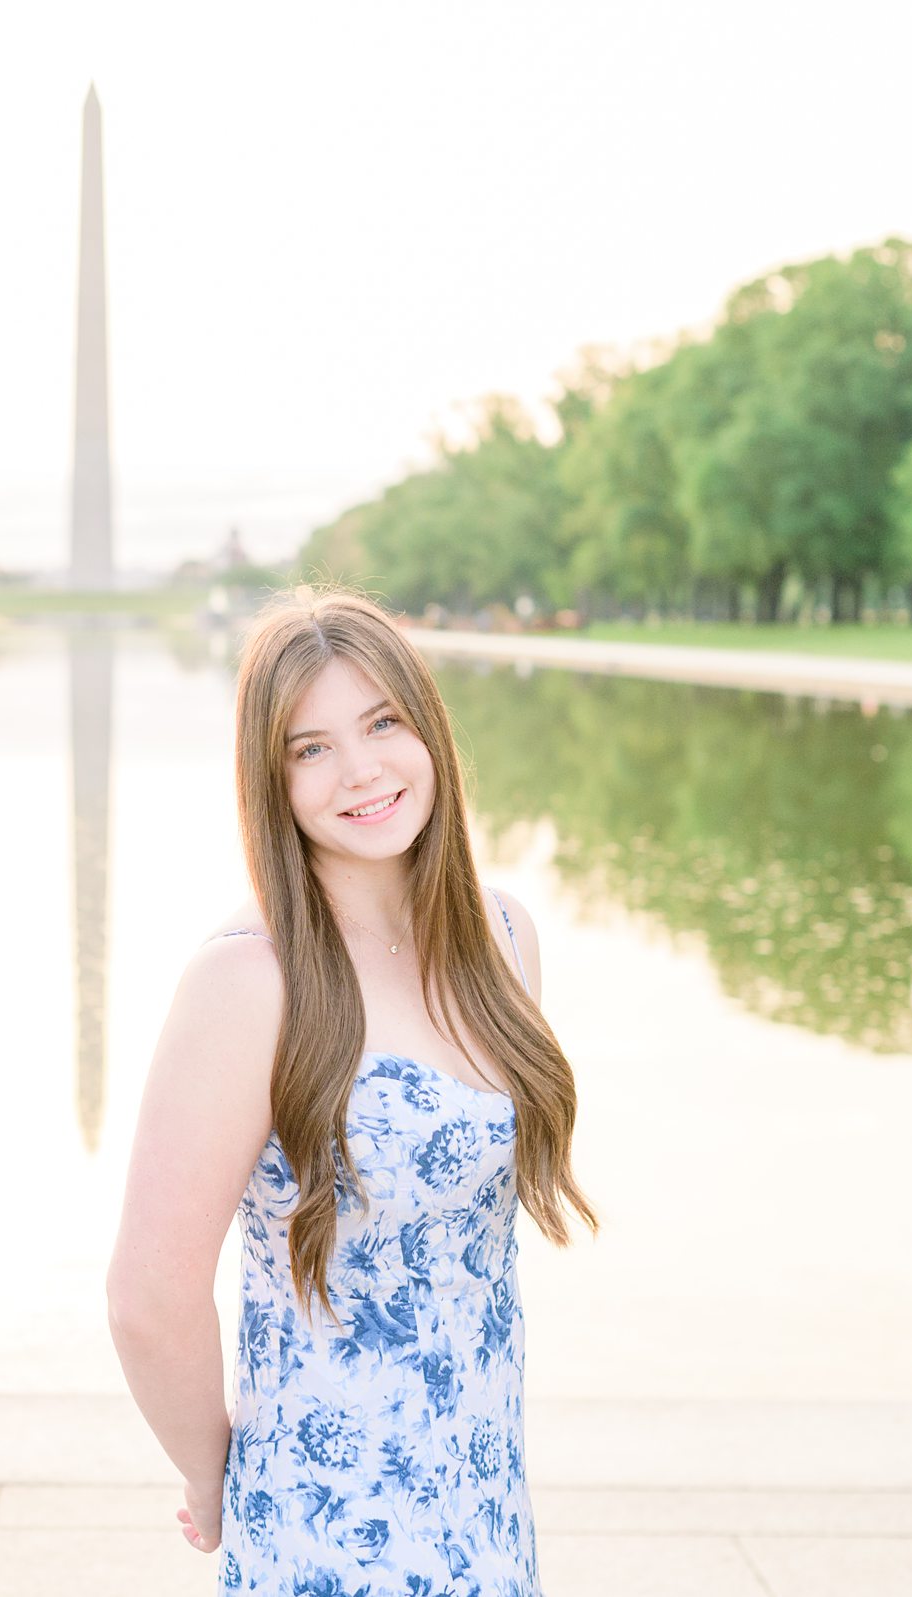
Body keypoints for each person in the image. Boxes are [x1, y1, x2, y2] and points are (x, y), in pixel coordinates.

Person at [106, 587, 596, 1594]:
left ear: (430, 732)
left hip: (484, 1501)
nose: (362, 769)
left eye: (382, 723)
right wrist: (217, 1474)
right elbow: (149, 1295)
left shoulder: (503, 941)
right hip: (328, 1525)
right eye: (312, 747)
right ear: (272, 780)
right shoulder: (249, 983)